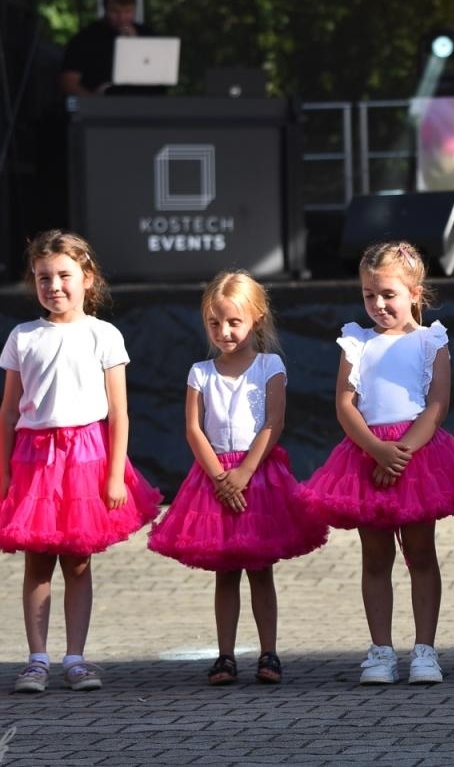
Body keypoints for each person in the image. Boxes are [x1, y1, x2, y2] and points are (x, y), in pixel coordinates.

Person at [0, 230, 162, 694]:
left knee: (78, 562)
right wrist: (2, 470)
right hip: (34, 460)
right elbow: (7, 412)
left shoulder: (104, 334)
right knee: (38, 562)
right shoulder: (23, 336)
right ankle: (36, 659)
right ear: (33, 282)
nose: (54, 286)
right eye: (44, 278)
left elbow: (119, 411)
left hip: (87, 457)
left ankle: (76, 658)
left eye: (64, 275)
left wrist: (116, 472)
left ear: (87, 278)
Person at [301, 241, 454, 686]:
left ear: (414, 293)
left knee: (421, 553)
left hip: (417, 457)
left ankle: (425, 650)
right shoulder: (356, 341)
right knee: (375, 555)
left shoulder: (430, 340)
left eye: (388, 294)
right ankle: (381, 650)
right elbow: (346, 405)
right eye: (370, 295)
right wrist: (375, 450)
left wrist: (400, 453)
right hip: (367, 456)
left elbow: (438, 404)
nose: (379, 304)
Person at [147, 270, 329, 685]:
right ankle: (225, 656)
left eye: (234, 321)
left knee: (261, 568)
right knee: (225, 571)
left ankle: (269, 653)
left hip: (259, 476)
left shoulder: (270, 365)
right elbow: (193, 428)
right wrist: (218, 476)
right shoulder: (200, 372)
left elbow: (274, 421)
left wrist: (244, 472)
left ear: (257, 320)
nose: (224, 331)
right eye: (215, 323)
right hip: (214, 478)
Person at [60, 0, 150, 97]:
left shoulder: (146, 35)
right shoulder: (84, 39)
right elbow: (68, 83)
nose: (121, 18)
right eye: (115, 11)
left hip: (141, 106)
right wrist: (97, 103)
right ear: (105, 8)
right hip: (96, 108)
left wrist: (136, 45)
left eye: (128, 11)